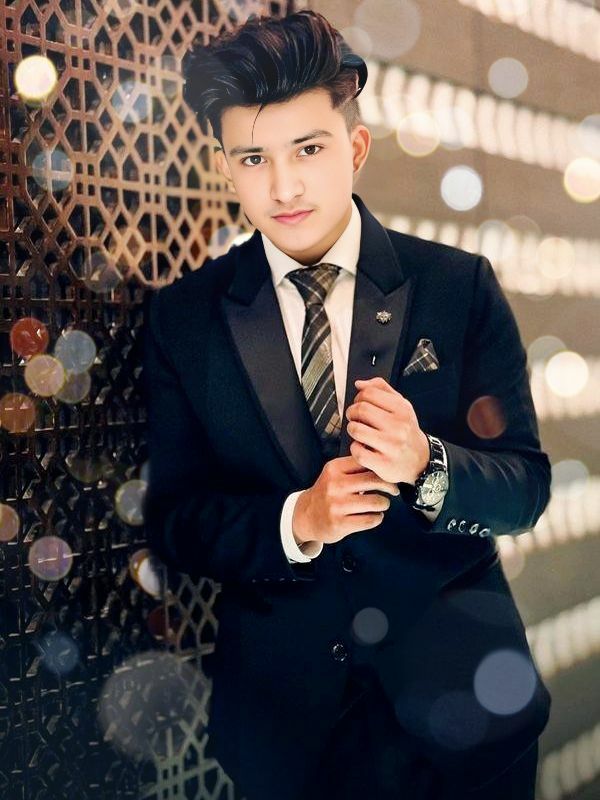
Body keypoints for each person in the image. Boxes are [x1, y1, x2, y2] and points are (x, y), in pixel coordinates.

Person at [141, 9, 552, 800]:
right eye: (254, 158)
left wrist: (428, 465)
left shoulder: (458, 286)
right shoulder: (184, 320)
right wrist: (296, 521)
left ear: (355, 147)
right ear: (225, 166)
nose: (283, 186)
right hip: (289, 737)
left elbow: (527, 489)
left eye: (309, 149)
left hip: (468, 723)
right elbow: (176, 521)